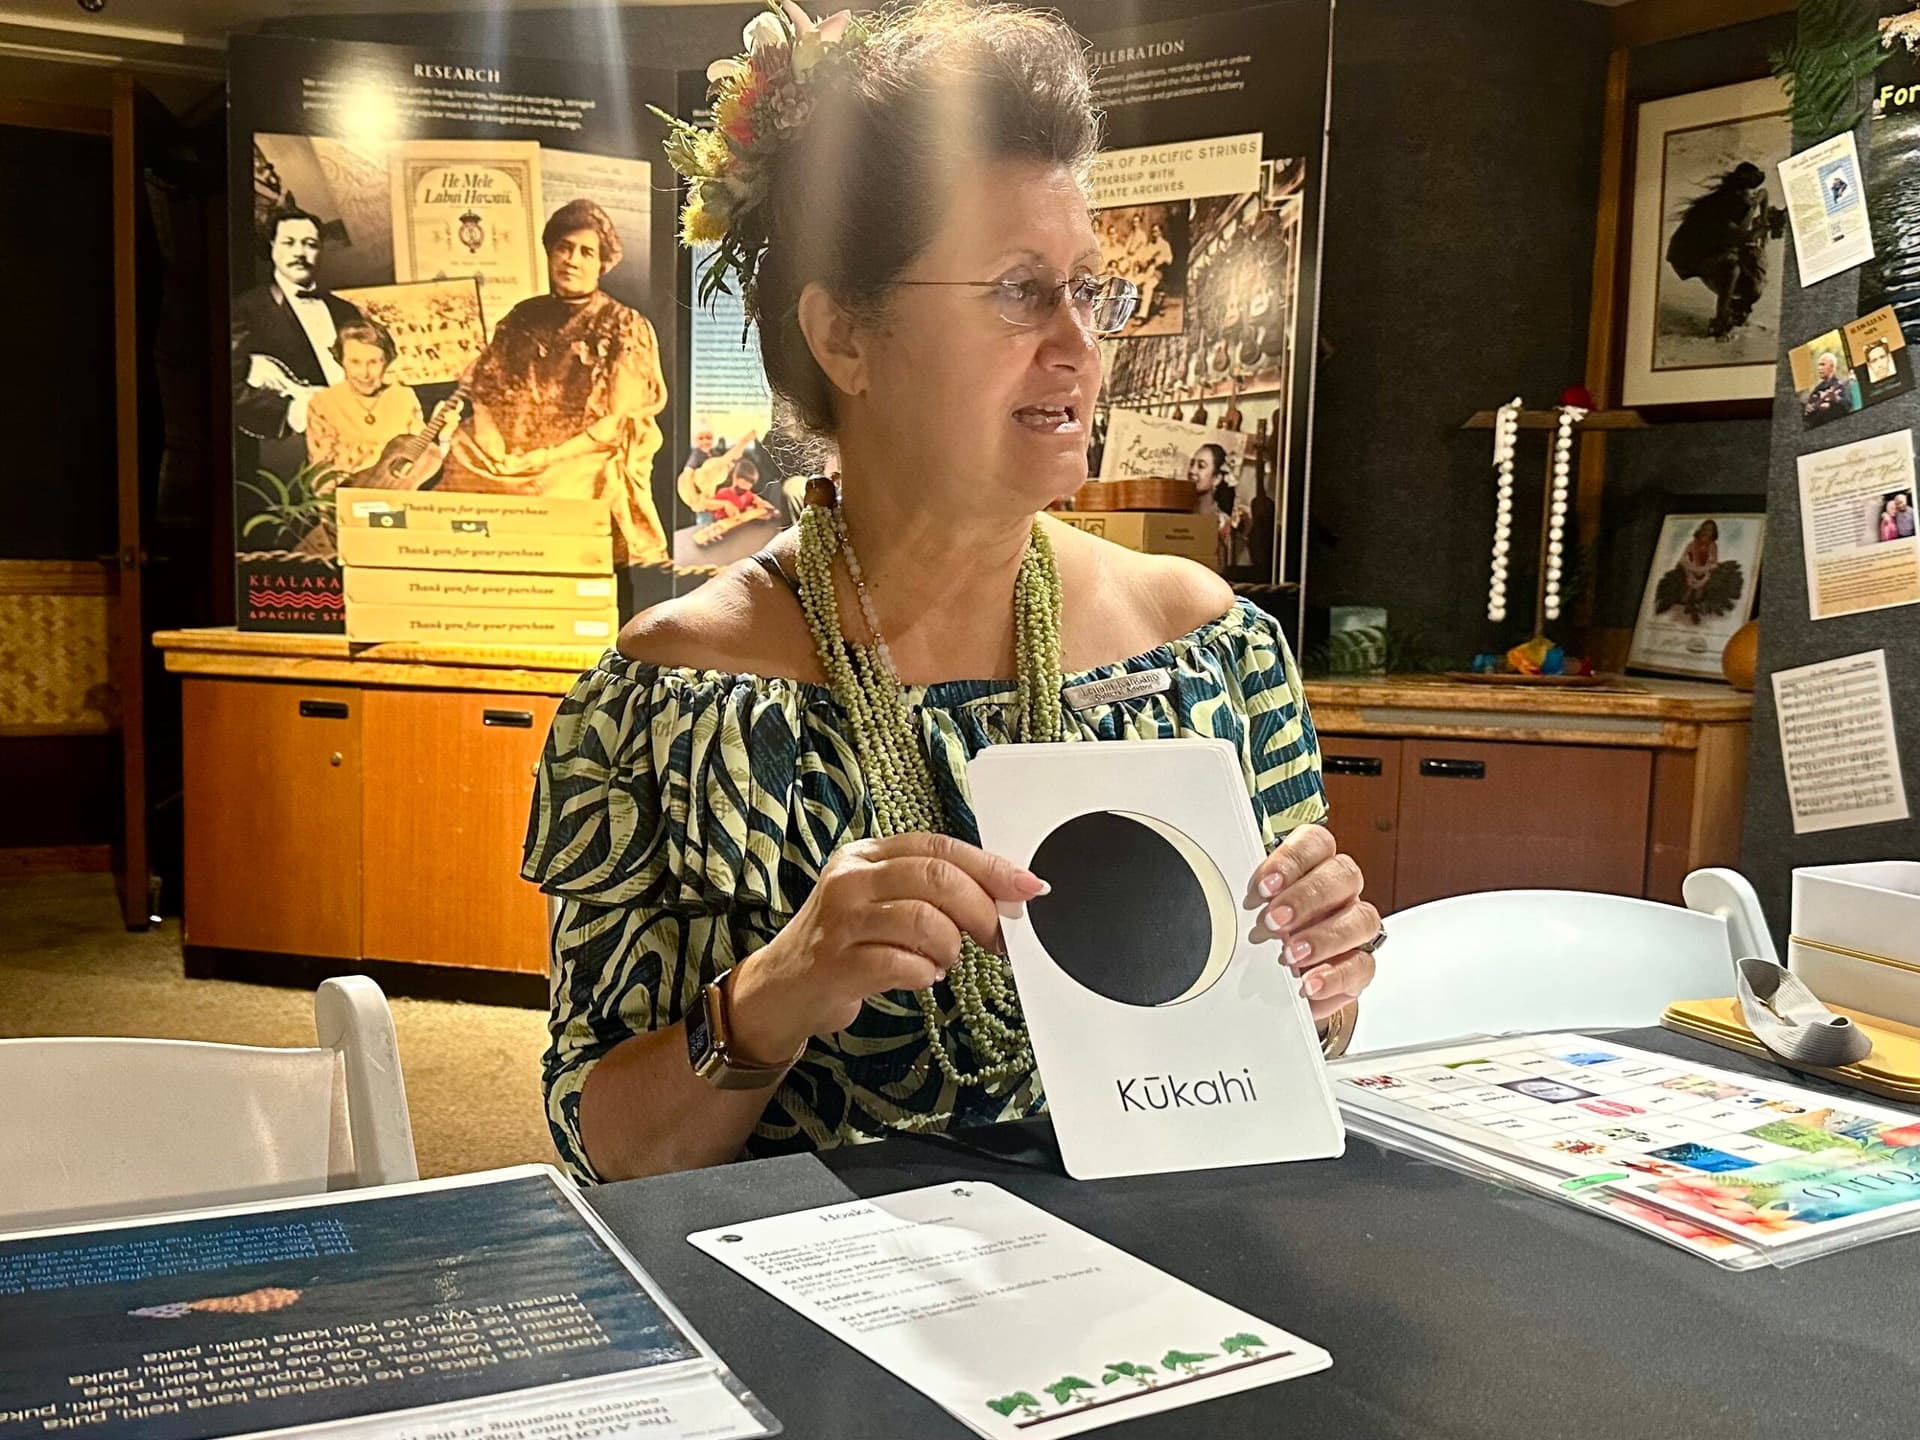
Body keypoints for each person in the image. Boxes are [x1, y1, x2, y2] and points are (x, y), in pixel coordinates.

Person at [523, 1, 1380, 1183]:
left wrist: (1326, 982)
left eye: (1094, 291)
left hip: (1176, 1289)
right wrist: (771, 995)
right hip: (831, 1315)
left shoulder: (1208, 651)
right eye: (1021, 292)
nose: (1081, 347)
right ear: (845, 337)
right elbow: (604, 1150)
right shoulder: (673, 693)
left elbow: (1295, 1044)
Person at [439, 198, 669, 567]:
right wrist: (495, 448)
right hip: (509, 452)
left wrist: (544, 457)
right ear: (550, 252)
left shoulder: (623, 324)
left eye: (585, 252)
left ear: (602, 262)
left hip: (576, 456)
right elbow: (486, 393)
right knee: (461, 452)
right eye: (563, 248)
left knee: (571, 484)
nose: (572, 260)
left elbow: (614, 422)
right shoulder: (523, 315)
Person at [231, 207, 365, 441]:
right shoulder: (245, 309)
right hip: (290, 445)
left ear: (321, 250)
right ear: (272, 246)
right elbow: (230, 387)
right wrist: (290, 413)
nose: (299, 252)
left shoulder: (346, 311)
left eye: (310, 244)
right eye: (288, 243)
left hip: (356, 435)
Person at [305, 320, 425, 479]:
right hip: (344, 497)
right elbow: (320, 473)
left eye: (373, 362)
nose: (364, 373)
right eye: (355, 362)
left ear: (387, 361)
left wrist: (444, 438)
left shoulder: (404, 397)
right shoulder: (323, 403)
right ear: (341, 361)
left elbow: (420, 459)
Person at [1803, 351, 1853, 422]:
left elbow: (1848, 406)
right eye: (1819, 365)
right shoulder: (1817, 389)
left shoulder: (1843, 385)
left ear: (1832, 366)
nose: (1819, 368)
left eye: (1823, 364)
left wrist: (1836, 399)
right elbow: (1809, 412)